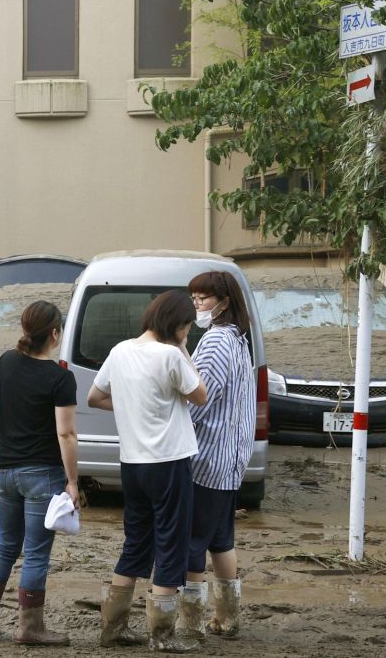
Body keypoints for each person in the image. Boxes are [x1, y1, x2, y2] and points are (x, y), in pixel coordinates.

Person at [88, 290, 207, 653]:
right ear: (179, 325)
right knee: (171, 542)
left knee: (136, 540)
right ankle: (162, 636)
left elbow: (94, 397)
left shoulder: (120, 351)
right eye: (187, 326)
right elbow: (200, 394)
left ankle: (114, 628)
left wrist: (129, 408)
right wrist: (185, 347)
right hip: (169, 462)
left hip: (132, 463)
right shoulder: (171, 355)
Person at [0, 300, 80, 646]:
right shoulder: (60, 378)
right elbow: (65, 434)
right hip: (42, 475)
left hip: (3, 471)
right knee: (35, 552)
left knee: (5, 543)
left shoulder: (6, 361)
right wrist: (73, 482)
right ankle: (29, 628)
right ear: (54, 334)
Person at [176, 272, 256, 640]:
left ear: (224, 302)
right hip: (231, 460)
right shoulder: (240, 340)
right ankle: (228, 618)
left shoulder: (215, 342)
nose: (197, 305)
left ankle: (189, 624)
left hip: (206, 460)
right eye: (193, 298)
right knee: (221, 540)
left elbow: (199, 399)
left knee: (193, 543)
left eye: (204, 298)